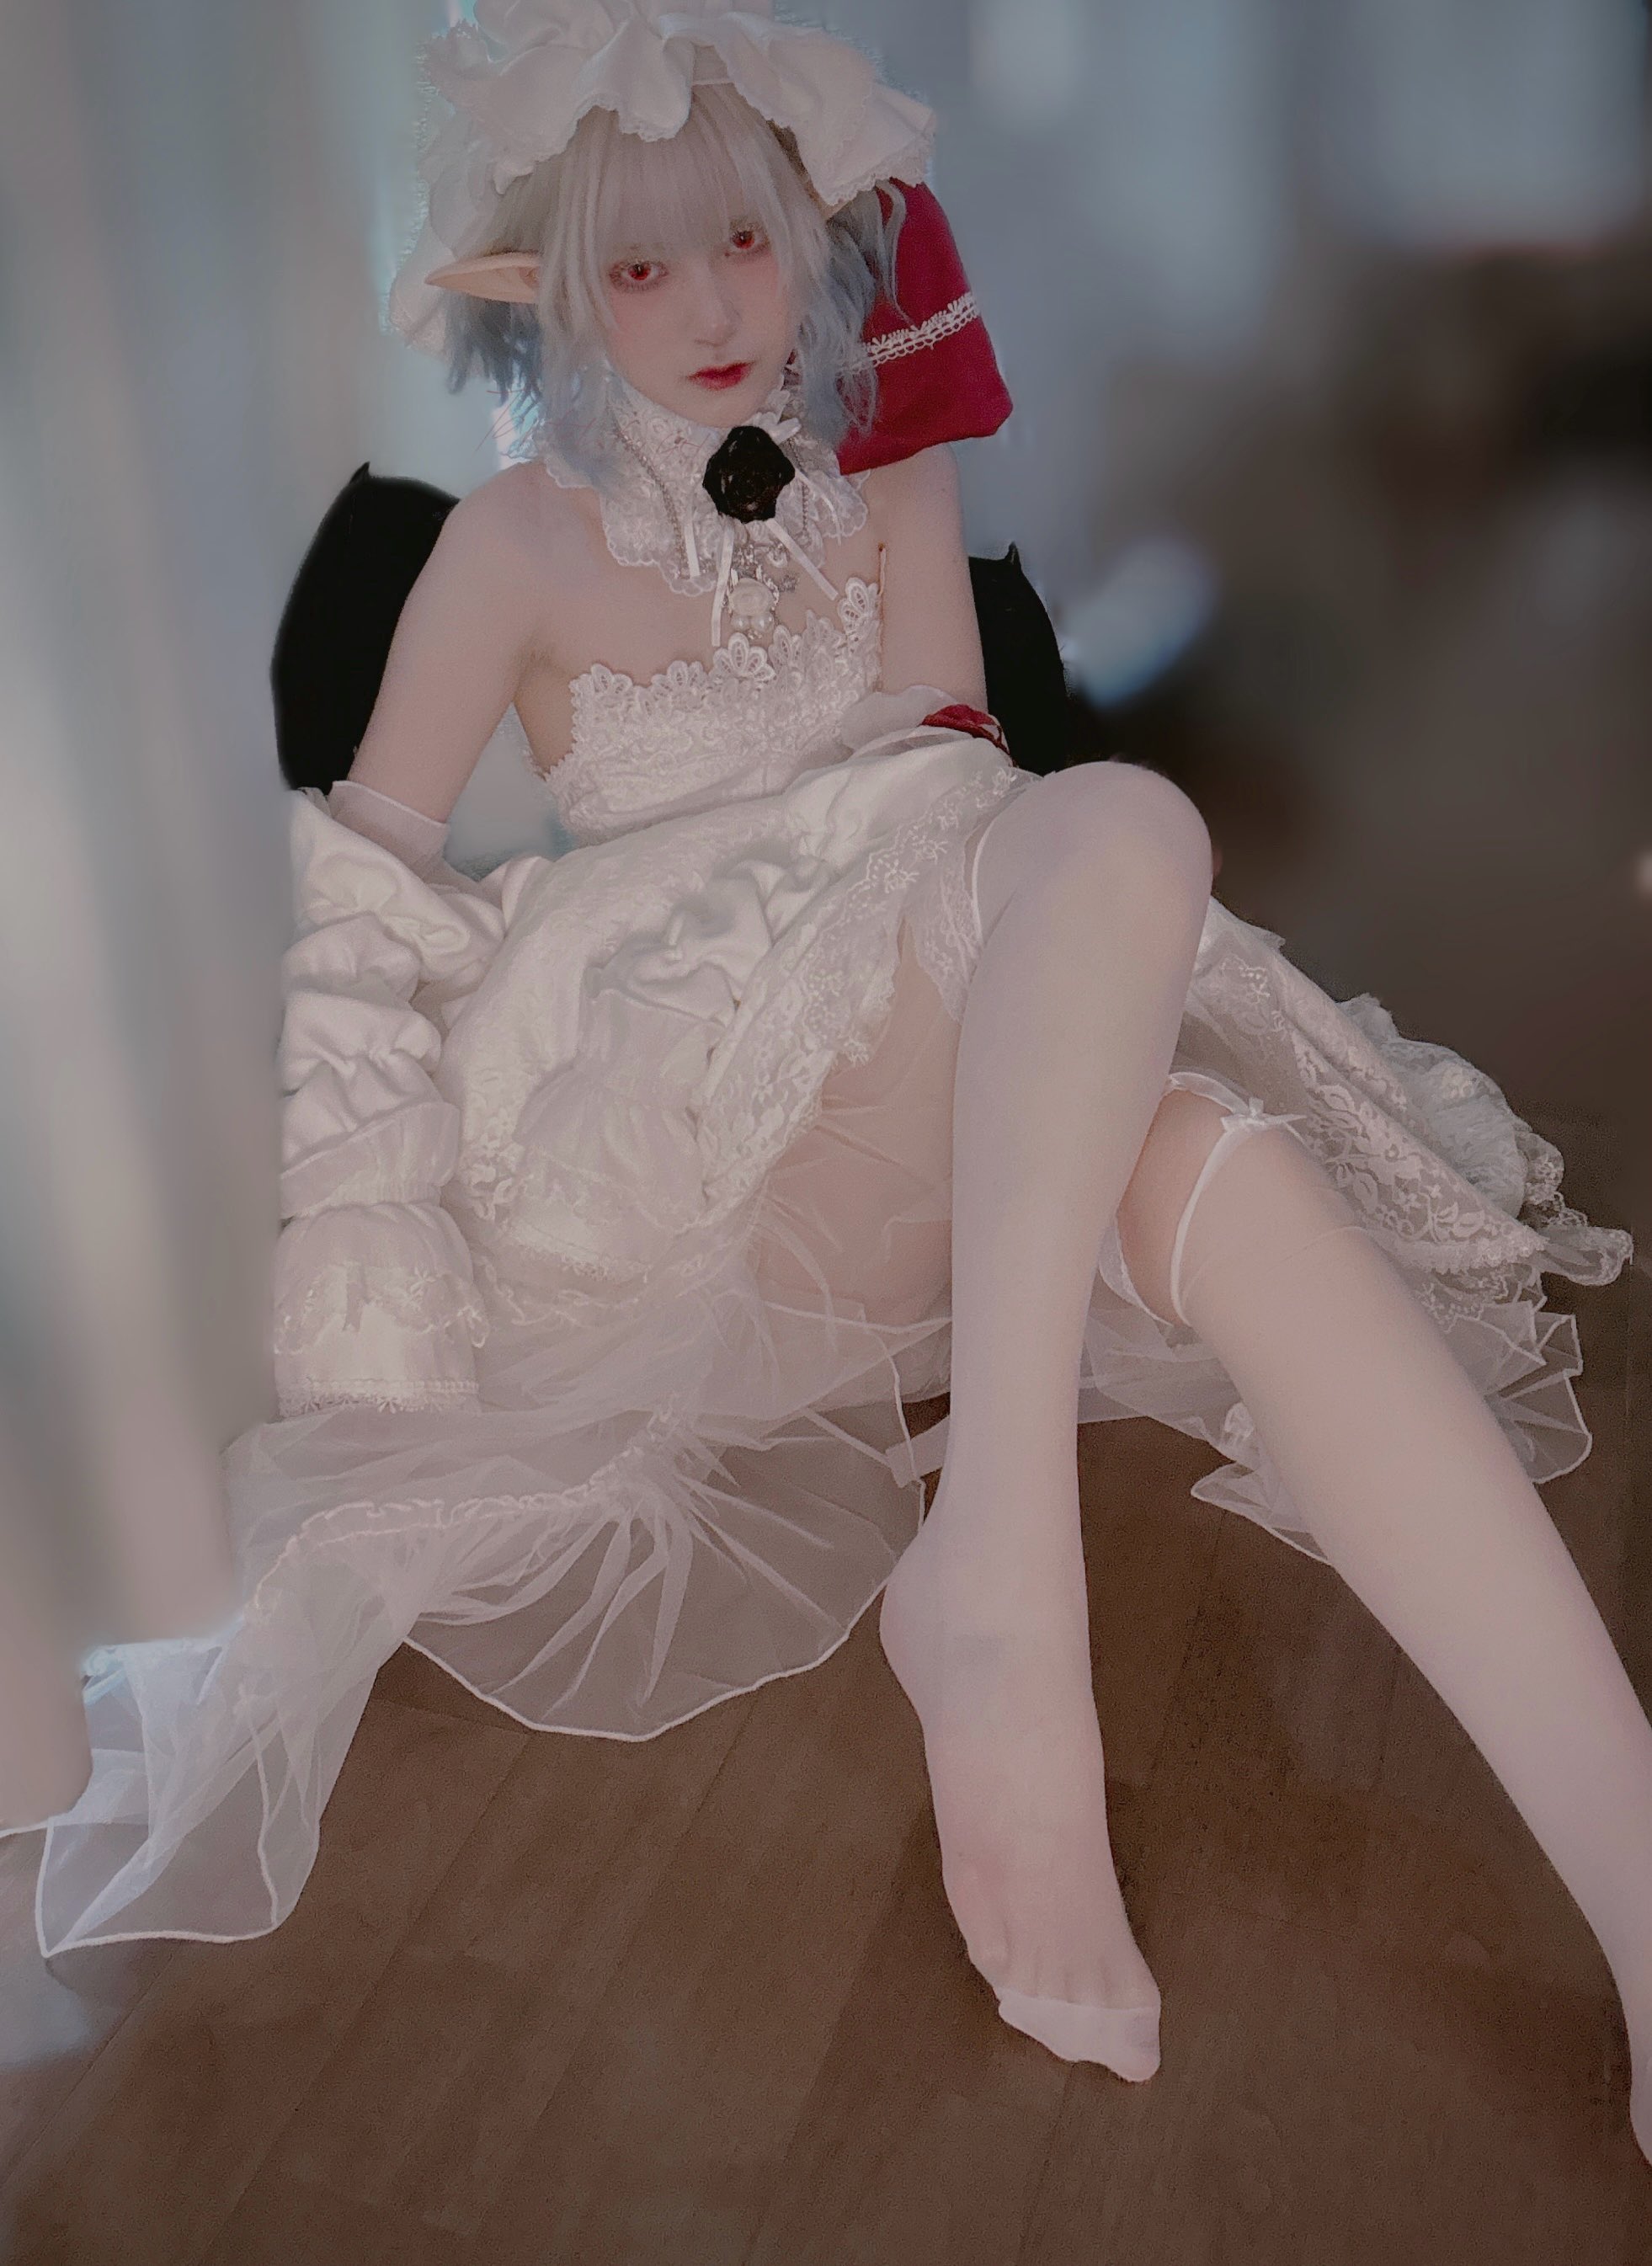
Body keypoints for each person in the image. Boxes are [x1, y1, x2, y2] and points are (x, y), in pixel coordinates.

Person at [23, 0, 1648, 2161]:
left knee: (1222, 1146)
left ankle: (1620, 1886)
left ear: (812, 242)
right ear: (554, 289)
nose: (714, 311)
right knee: (1128, 833)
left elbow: (943, 797)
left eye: (747, 247)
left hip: (943, 1078)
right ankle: (1007, 1590)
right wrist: (374, 1281)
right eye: (643, 265)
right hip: (685, 1140)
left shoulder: (888, 470)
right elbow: (366, 920)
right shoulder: (508, 548)